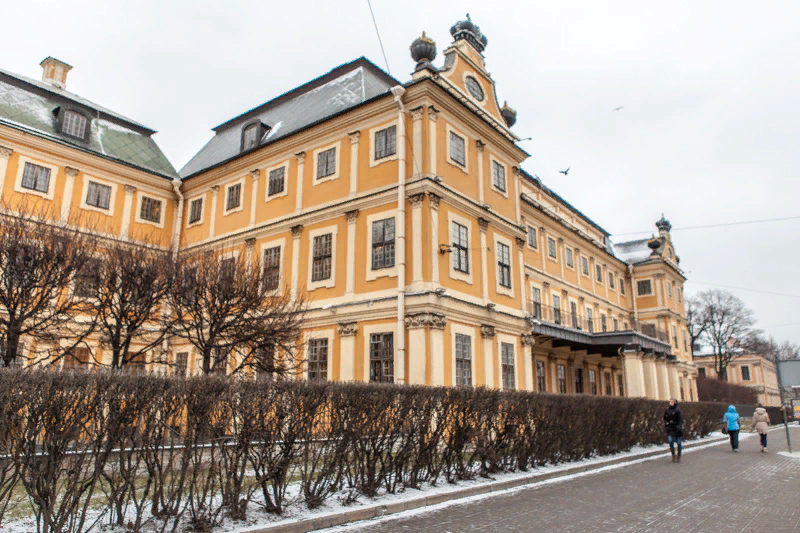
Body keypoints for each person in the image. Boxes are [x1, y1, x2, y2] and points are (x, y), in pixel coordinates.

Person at [664, 398, 683, 462]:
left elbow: (680, 420)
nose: (671, 403)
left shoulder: (677, 410)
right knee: (670, 441)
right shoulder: (667, 410)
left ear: (674, 403)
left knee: (678, 443)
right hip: (670, 428)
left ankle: (679, 455)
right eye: (670, 402)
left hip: (677, 429)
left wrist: (679, 426)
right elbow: (665, 418)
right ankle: (673, 455)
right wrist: (666, 424)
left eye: (672, 402)